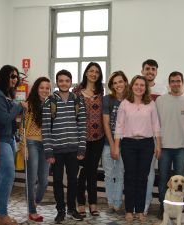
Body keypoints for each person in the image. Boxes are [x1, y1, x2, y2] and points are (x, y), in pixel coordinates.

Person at [114, 75, 161, 222]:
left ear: (146, 88)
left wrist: (158, 144)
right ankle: (129, 210)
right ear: (132, 86)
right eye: (137, 84)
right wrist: (116, 146)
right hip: (128, 144)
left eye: (142, 85)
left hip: (147, 144)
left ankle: (140, 211)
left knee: (142, 178)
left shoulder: (151, 104)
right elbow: (119, 126)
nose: (139, 87)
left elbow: (156, 125)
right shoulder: (125, 104)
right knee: (129, 177)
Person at [42, 69, 86, 223]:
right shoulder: (50, 101)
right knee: (58, 181)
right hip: (56, 150)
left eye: (67, 81)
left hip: (74, 150)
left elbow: (82, 126)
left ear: (71, 82)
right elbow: (46, 128)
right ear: (57, 82)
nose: (64, 83)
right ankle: (60, 210)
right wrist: (49, 152)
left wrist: (82, 148)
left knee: (73, 180)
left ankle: (72, 209)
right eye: (61, 81)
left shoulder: (77, 100)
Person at [0, 65, 27, 225]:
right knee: (8, 176)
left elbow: (9, 119)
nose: (14, 80)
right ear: (4, 77)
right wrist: (19, 106)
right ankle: (2, 215)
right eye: (11, 76)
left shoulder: (6, 94)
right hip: (1, 140)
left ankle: (0, 214)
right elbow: (4, 118)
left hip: (9, 138)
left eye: (16, 77)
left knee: (3, 177)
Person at [156, 71, 184, 219]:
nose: (176, 83)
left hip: (182, 148)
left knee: (181, 181)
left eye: (178, 81)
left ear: (182, 82)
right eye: (173, 81)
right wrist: (156, 145)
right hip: (164, 147)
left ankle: (179, 210)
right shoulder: (160, 101)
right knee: (164, 179)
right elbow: (155, 124)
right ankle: (163, 209)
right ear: (169, 84)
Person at [74, 62, 105, 217]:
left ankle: (93, 204)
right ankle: (80, 203)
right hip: (80, 138)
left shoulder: (101, 91)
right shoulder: (76, 91)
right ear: (86, 73)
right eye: (91, 71)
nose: (94, 74)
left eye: (97, 72)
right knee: (83, 172)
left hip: (98, 138)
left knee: (92, 171)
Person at [18, 77, 51, 222]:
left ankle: (34, 203)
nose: (44, 90)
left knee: (43, 181)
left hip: (46, 145)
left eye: (47, 88)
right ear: (36, 88)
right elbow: (22, 128)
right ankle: (32, 210)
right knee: (31, 180)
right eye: (41, 87)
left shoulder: (51, 105)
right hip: (31, 143)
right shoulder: (29, 105)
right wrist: (23, 146)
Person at [141, 59, 167, 215]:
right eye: (147, 69)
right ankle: (137, 202)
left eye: (153, 69)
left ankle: (146, 202)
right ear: (142, 70)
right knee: (137, 172)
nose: (150, 71)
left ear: (156, 72)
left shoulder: (162, 90)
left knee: (149, 171)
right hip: (137, 136)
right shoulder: (136, 87)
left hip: (154, 136)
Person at [102, 71, 128, 214]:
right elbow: (106, 123)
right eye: (115, 83)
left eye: (120, 81)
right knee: (108, 174)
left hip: (126, 144)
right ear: (112, 85)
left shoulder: (130, 100)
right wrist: (112, 145)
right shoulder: (107, 99)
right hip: (108, 143)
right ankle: (110, 202)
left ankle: (117, 203)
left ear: (125, 82)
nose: (118, 85)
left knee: (120, 174)